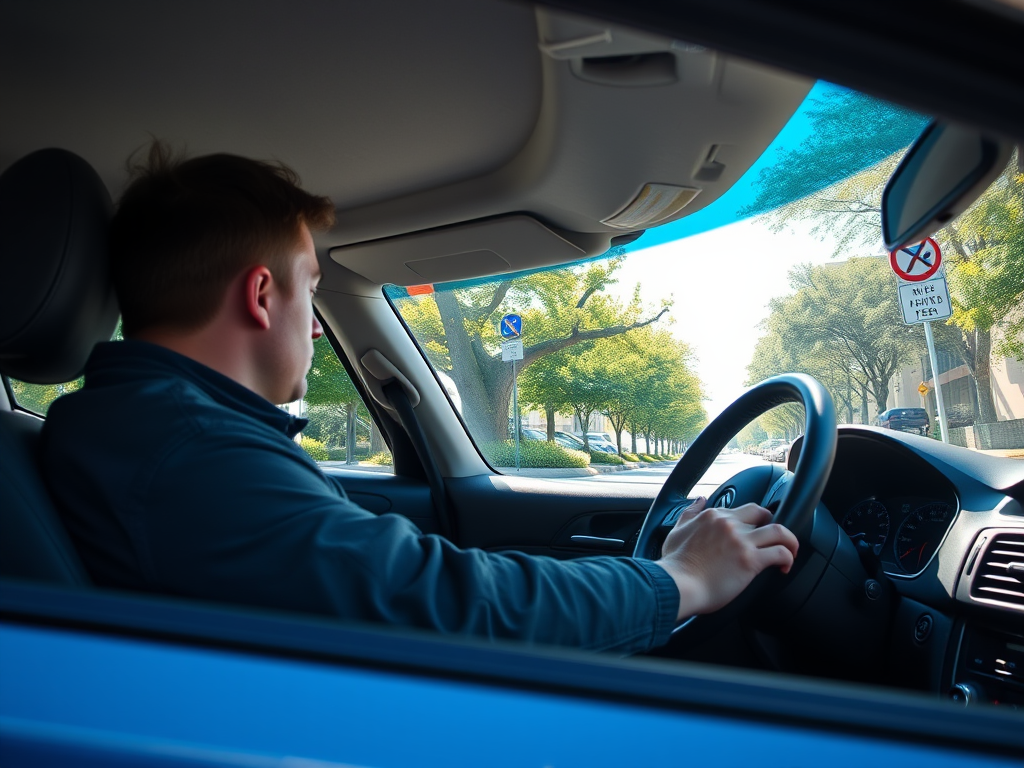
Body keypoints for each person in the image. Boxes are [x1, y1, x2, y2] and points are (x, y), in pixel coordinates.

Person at [41, 145, 799, 654]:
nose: (312, 324)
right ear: (262, 295)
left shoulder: (143, 429)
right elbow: (439, 601)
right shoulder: (187, 454)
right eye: (311, 289)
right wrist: (680, 581)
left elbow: (384, 578)